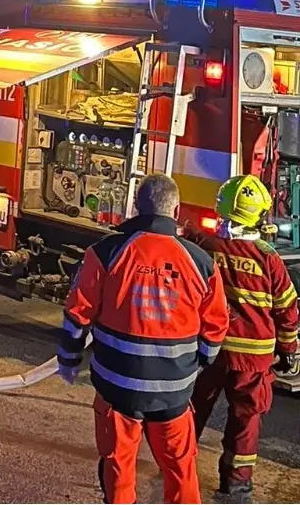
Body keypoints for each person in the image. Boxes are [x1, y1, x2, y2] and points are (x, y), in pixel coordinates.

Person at [58, 174, 229, 505]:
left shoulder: (106, 252)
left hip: (117, 389)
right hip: (174, 393)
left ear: (136, 206)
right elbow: (216, 324)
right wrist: (201, 361)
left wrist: (68, 359)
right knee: (180, 469)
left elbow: (77, 312)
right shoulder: (201, 262)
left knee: (119, 467)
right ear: (176, 211)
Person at [191, 175, 299, 503]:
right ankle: (235, 485)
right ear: (259, 215)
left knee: (195, 409)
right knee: (245, 421)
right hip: (254, 358)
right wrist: (290, 348)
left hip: (211, 350)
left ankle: (178, 464)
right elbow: (287, 310)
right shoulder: (269, 258)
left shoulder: (205, 248)